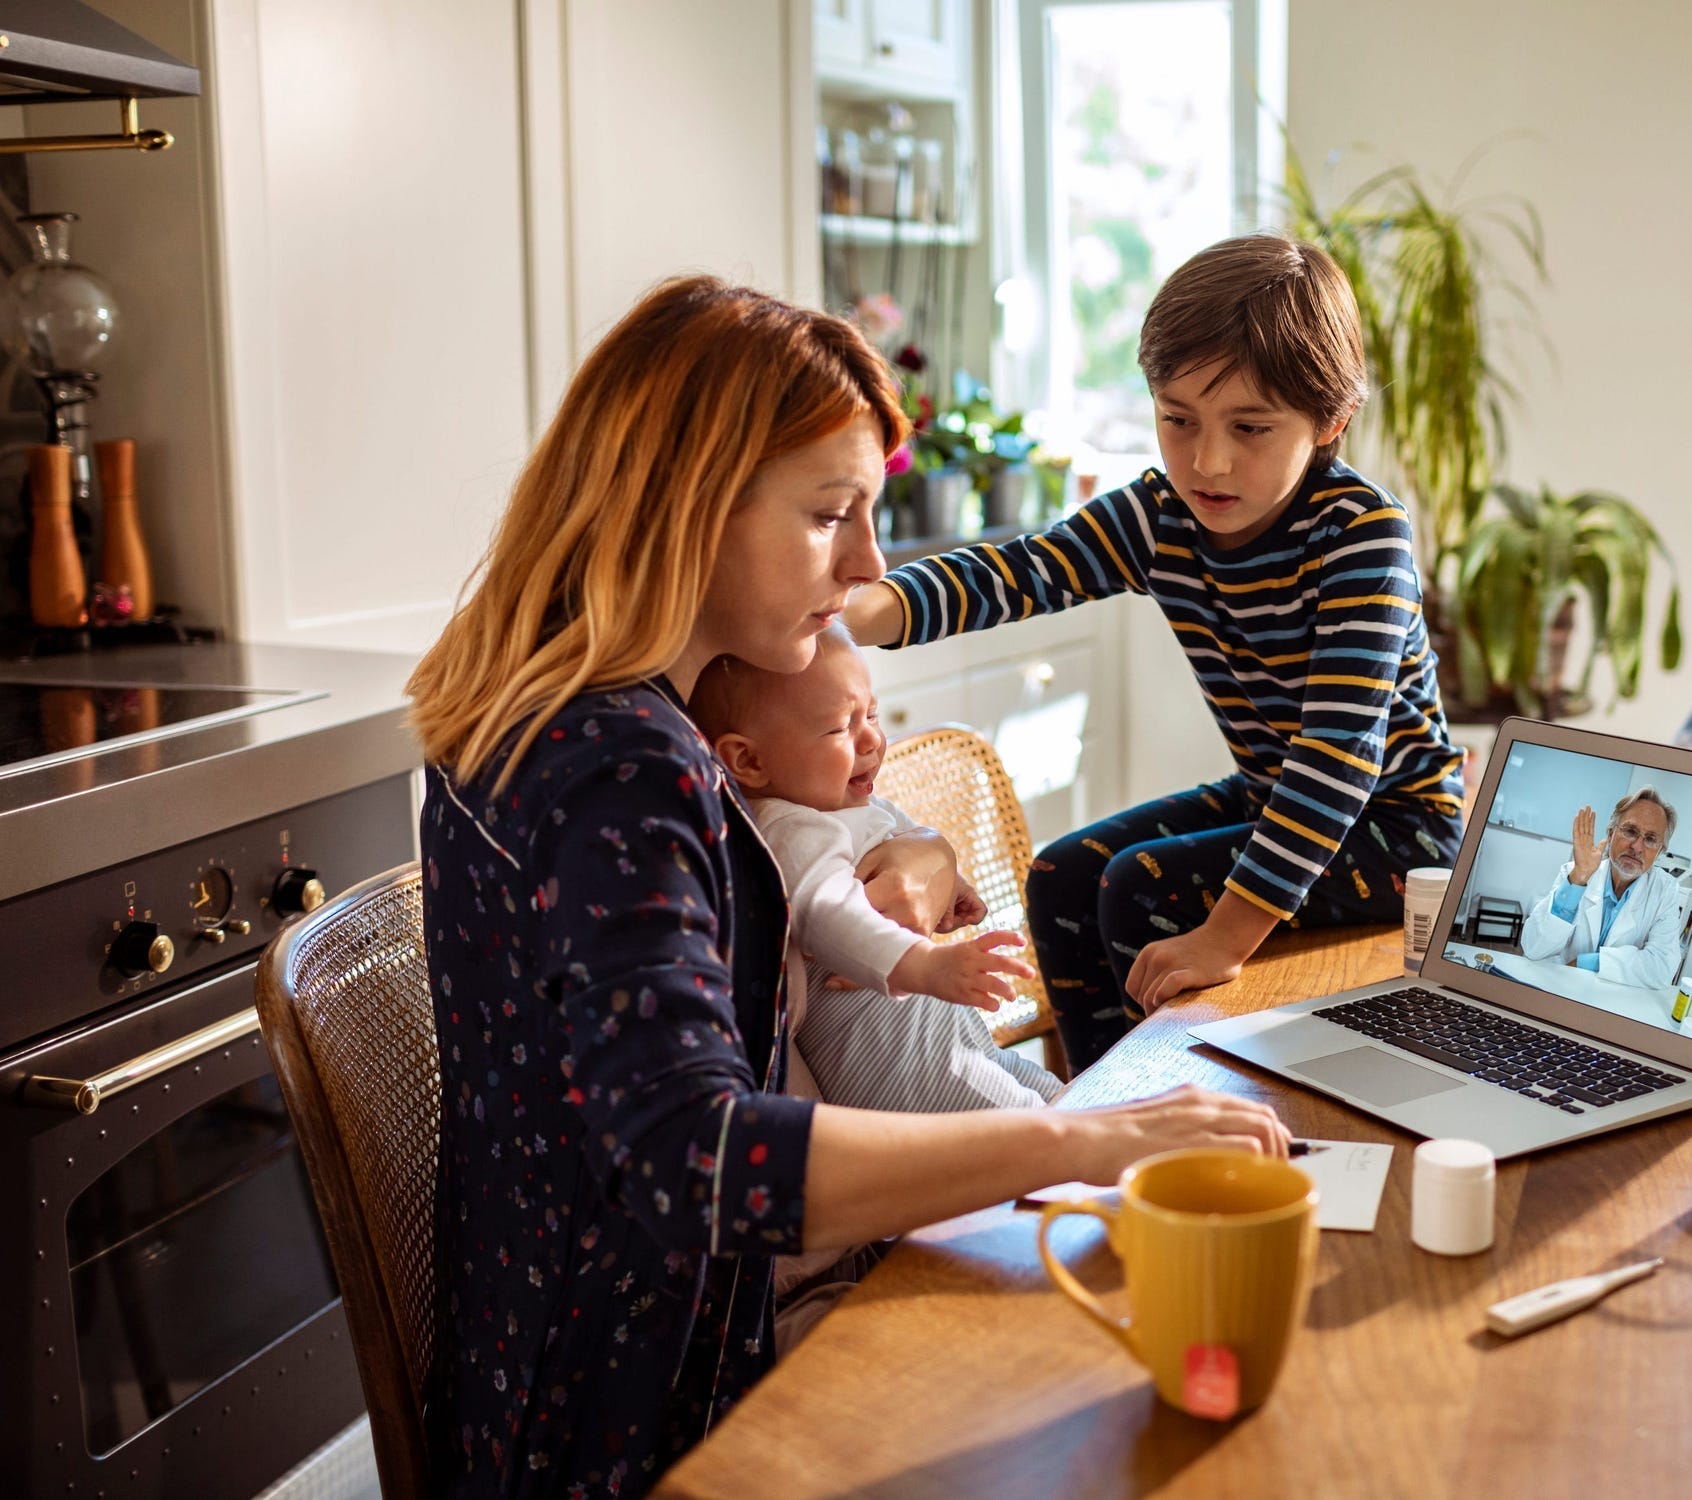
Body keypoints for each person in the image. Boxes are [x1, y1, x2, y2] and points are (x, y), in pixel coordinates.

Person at [403, 274, 1286, 1498]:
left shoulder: (551, 711)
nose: (870, 562)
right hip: (645, 1413)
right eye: (832, 515)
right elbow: (698, 1161)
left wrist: (908, 858)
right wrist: (1090, 1137)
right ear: (689, 507)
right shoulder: (620, 765)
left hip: (546, 1362)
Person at [843, 234, 1465, 1070]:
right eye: (1178, 420)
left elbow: (1335, 763)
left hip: (1404, 831)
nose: (1207, 461)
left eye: (1250, 427)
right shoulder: (1159, 515)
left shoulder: (1361, 537)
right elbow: (1019, 572)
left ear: (1330, 421)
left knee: (1139, 886)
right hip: (1272, 795)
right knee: (1064, 875)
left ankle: (1159, 1102)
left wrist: (1227, 937)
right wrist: (851, 612)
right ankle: (1097, 1100)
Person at [688, 625, 1063, 1113]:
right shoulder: (787, 828)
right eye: (841, 727)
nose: (873, 740)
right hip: (901, 1074)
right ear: (749, 760)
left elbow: (904, 836)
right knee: (1048, 1134)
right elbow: (830, 912)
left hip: (950, 1045)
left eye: (872, 714)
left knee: (1070, 1102)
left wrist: (952, 886)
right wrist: (925, 964)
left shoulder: (844, 806)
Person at [1518, 788, 1685, 987]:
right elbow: (1533, 948)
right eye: (1630, 831)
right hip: (1559, 987)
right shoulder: (1575, 873)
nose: (1637, 847)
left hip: (1613, 1000)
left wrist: (1587, 963)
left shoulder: (1665, 891)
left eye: (1650, 839)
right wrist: (1579, 879)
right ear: (1611, 833)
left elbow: (1662, 967)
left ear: (1659, 851)